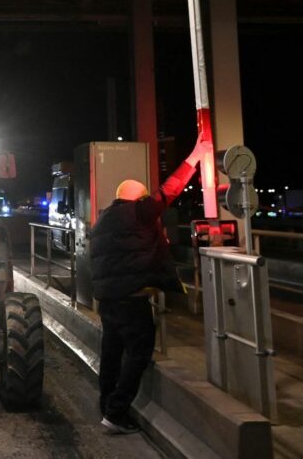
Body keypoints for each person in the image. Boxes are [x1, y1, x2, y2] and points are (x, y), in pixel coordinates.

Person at [90, 135, 209, 434]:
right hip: (132, 298)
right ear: (138, 199)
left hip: (108, 299)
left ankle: (106, 405)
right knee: (140, 349)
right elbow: (168, 192)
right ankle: (116, 413)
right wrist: (194, 157)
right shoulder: (138, 213)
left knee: (112, 352)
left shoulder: (104, 218)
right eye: (144, 198)